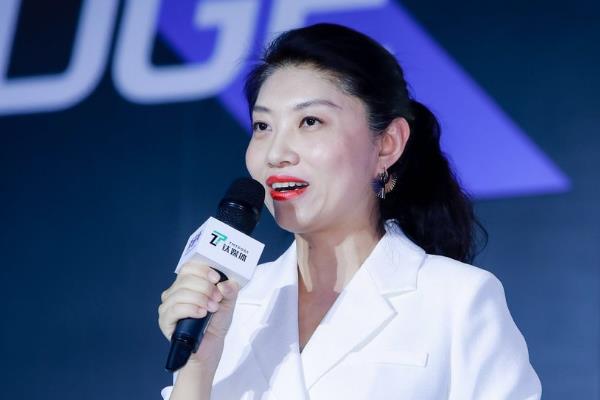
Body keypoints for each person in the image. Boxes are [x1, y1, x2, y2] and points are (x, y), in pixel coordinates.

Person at [158, 23, 542, 399]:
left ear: (387, 144)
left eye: (310, 121)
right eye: (262, 126)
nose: (276, 153)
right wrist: (198, 366)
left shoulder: (458, 299)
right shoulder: (228, 301)